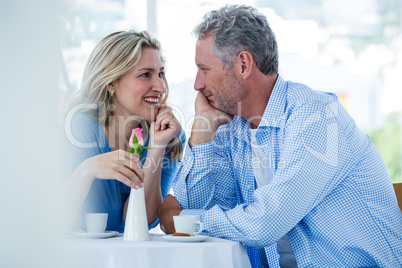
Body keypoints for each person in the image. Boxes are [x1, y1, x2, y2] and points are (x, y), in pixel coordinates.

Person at [158, 5, 402, 267]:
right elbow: (193, 207)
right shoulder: (232, 127)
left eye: (204, 69)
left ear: (243, 64)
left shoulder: (317, 118)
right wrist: (201, 134)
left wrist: (189, 220)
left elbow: (264, 224)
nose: (197, 84)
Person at [63, 30, 185, 233]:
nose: (161, 87)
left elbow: (135, 222)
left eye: (161, 74)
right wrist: (88, 169)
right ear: (111, 82)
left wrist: (157, 147)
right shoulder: (78, 130)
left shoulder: (170, 136)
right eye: (146, 75)